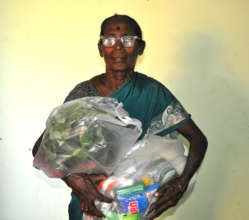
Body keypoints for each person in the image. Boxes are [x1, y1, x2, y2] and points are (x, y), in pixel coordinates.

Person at [32, 14, 208, 220]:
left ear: (140, 47)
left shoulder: (152, 92)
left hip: (131, 206)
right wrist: (73, 180)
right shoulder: (84, 94)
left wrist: (181, 183)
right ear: (100, 48)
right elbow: (42, 149)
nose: (118, 47)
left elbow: (198, 139)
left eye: (127, 39)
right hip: (88, 205)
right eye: (109, 40)